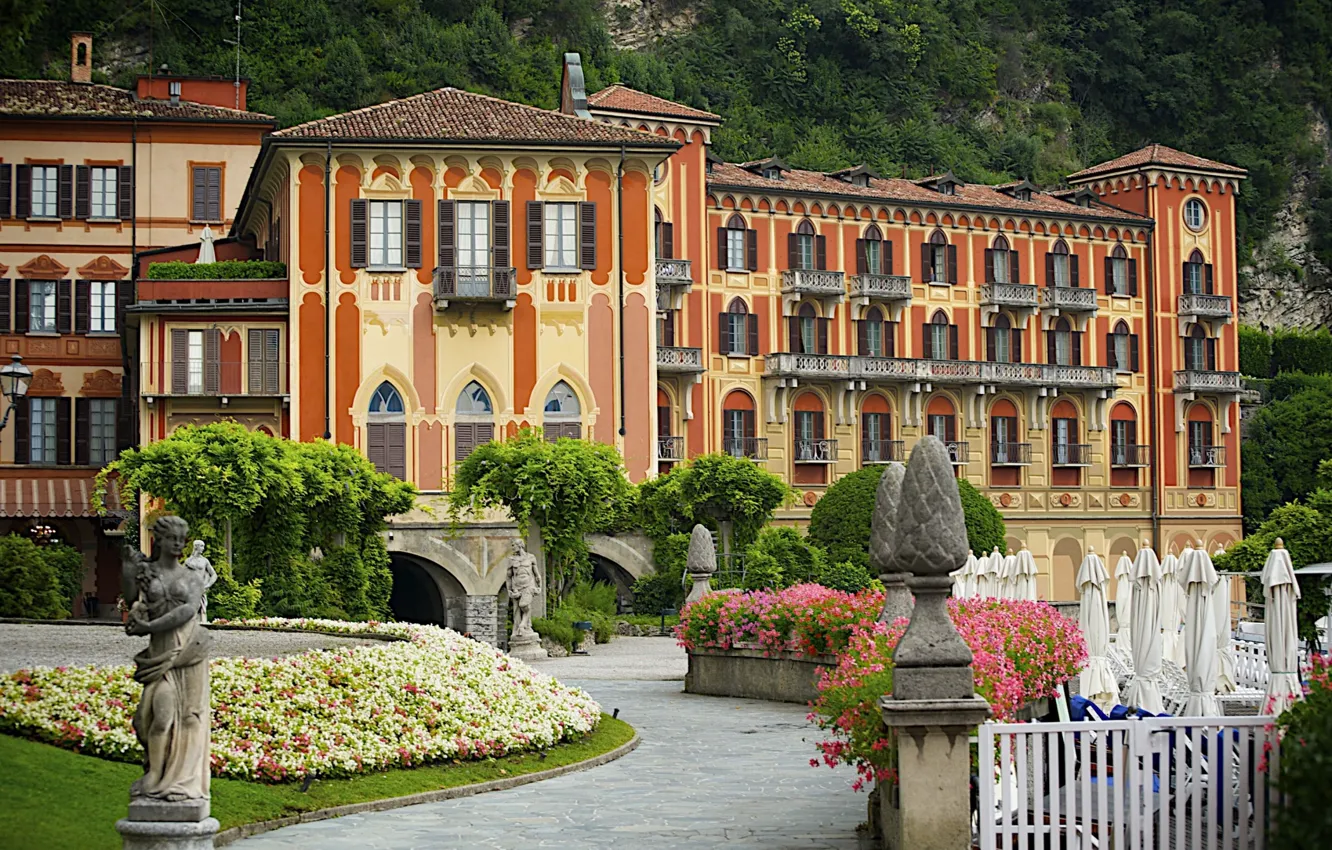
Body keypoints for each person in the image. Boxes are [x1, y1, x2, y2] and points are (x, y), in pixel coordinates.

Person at [120, 516, 212, 803]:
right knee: (146, 720)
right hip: (158, 655)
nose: (178, 544)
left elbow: (187, 611)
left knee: (181, 717)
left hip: (186, 653)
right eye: (172, 538)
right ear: (158, 540)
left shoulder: (191, 577)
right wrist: (127, 570)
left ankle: (172, 780)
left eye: (181, 539)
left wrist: (149, 627)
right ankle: (156, 774)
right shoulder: (147, 573)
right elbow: (133, 600)